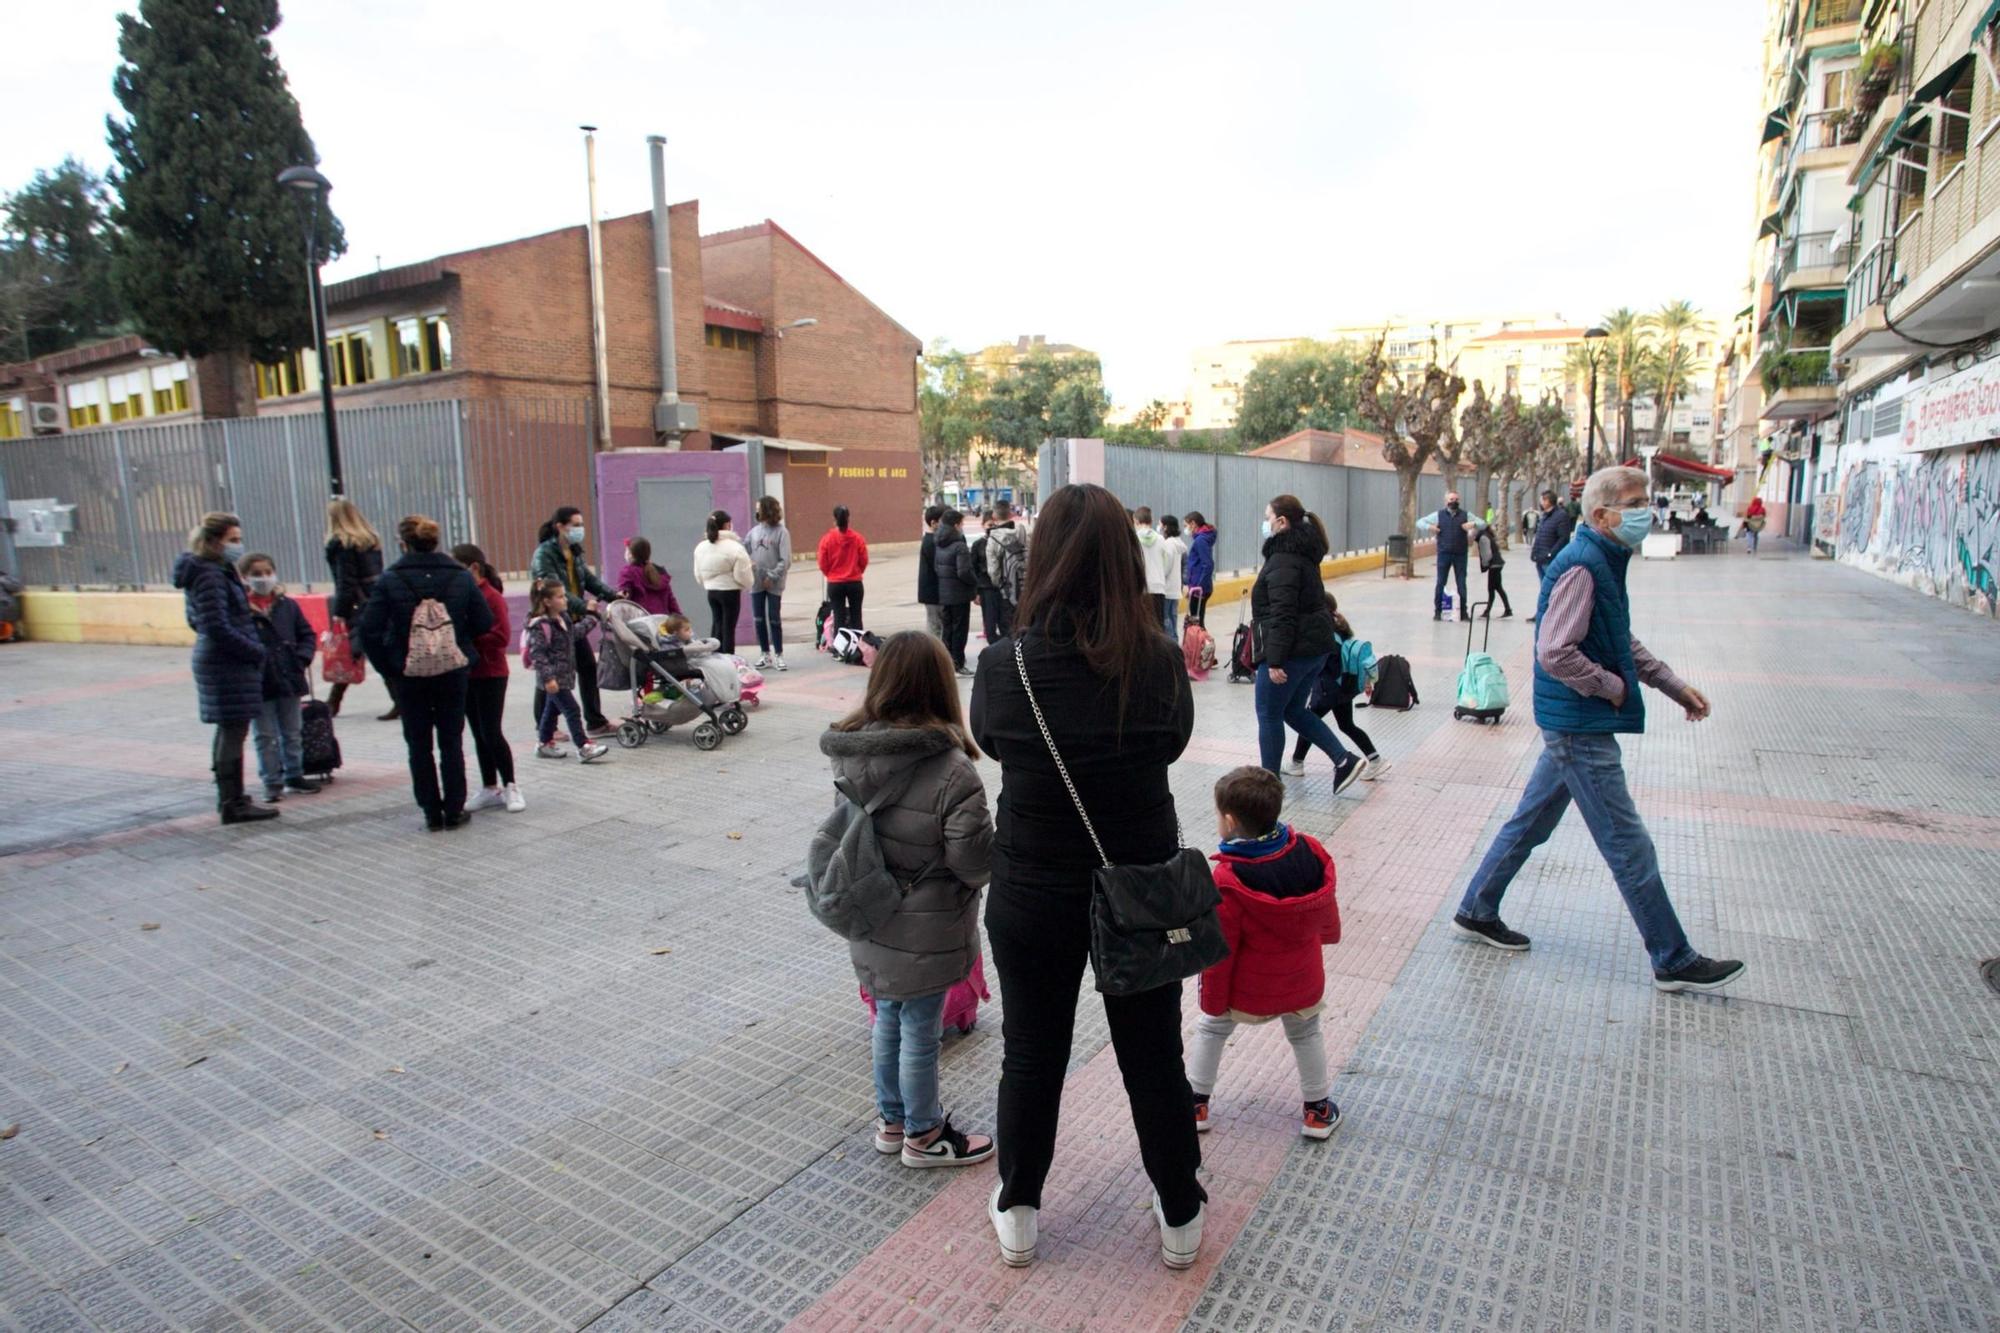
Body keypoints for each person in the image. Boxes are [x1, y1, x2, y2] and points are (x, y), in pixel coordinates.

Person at [970, 482, 1206, 1272]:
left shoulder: (1006, 667)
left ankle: (1020, 1208)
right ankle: (1179, 1211)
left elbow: (995, 747)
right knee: (1153, 1055)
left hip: (1032, 892)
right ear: (1124, 561)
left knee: (1031, 1052)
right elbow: (1170, 747)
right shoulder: (1162, 664)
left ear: (1040, 563)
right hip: (1138, 889)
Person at [1453, 466, 1745, 994]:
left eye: (1645, 501)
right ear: (1602, 514)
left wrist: (1671, 685)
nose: (1644, 511)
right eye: (1634, 503)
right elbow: (1554, 651)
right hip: (1579, 726)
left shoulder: (1604, 559)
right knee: (1627, 842)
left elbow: (1617, 639)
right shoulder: (1585, 565)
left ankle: (1476, 907)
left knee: (1529, 823)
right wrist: (1612, 688)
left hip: (1574, 722)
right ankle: (1672, 957)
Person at [821, 630, 996, 1169]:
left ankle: (890, 1120)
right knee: (919, 1029)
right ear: (940, 688)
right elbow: (974, 862)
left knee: (888, 1019)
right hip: (929, 924)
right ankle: (924, 1134)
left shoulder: (850, 757)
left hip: (870, 914)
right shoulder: (952, 770)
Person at [1188, 767, 1342, 1141]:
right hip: (1301, 979)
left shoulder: (1228, 880)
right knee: (1306, 1034)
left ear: (1228, 820)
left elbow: (1220, 952)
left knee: (1211, 1029)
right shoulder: (1309, 849)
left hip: (1246, 989)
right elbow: (1325, 909)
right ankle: (1318, 1111)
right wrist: (1329, 935)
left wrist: (1213, 1001)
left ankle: (1195, 1104)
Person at [357, 515, 494, 831]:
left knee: (418, 743)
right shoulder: (459, 576)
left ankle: (431, 811)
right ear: (436, 541)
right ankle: (455, 808)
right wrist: (458, 640)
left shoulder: (390, 579)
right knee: (451, 740)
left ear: (403, 543)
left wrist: (390, 666)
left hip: (409, 673)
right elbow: (484, 621)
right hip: (452, 670)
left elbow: (369, 630)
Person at [1253, 495, 1363, 794]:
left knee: (1269, 713)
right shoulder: (1303, 554)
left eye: (1268, 517)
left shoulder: (1283, 559)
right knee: (1293, 711)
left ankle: (1268, 787)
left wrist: (1274, 660)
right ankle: (1344, 760)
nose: (1265, 523)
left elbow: (1283, 613)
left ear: (1282, 521)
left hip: (1291, 651)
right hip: (1313, 649)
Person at [175, 513, 276, 825]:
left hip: (223, 659)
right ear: (214, 540)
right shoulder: (210, 574)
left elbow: (199, 619)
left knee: (232, 728)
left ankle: (233, 797)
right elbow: (214, 624)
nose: (238, 545)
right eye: (232, 540)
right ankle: (232, 802)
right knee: (233, 729)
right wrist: (253, 649)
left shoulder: (211, 570)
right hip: (226, 662)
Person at [240, 553, 320, 803]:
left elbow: (306, 633)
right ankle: (271, 781)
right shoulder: (242, 609)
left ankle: (294, 774)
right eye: (257, 574)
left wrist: (301, 658)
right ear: (245, 577)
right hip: (260, 681)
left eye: (267, 572)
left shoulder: (287, 604)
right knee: (265, 735)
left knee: (292, 730)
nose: (264, 578)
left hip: (288, 676)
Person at [530, 506, 615, 736]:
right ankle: (545, 725)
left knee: (587, 668)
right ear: (560, 526)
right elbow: (555, 591)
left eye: (581, 524)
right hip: (555, 621)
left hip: (572, 621)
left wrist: (612, 595)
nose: (580, 529)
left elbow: (588, 580)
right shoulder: (545, 555)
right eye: (575, 525)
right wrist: (584, 606)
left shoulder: (574, 552)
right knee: (551, 673)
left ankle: (595, 721)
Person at [454, 544, 524, 814]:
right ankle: (489, 786)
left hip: (491, 673)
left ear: (474, 567)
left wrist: (467, 639)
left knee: (491, 731)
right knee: (478, 733)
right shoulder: (461, 595)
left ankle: (511, 785)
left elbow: (501, 637)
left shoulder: (491, 597)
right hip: (467, 672)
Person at [1287, 596, 1388, 779]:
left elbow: (1319, 662)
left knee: (1308, 722)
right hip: (1343, 687)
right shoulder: (1340, 628)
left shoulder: (1325, 633)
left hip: (1328, 689)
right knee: (1347, 725)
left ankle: (1297, 763)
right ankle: (1375, 760)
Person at [524, 577, 610, 764]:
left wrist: (592, 618)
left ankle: (544, 743)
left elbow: (574, 635)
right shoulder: (540, 625)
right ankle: (583, 746)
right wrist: (548, 678)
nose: (565, 600)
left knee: (551, 710)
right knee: (572, 709)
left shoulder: (562, 618)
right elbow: (538, 655)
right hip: (554, 678)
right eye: (561, 597)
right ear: (547, 601)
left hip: (563, 675)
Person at [324, 499, 386, 719]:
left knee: (350, 651)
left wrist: (339, 612)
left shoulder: (342, 544)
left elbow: (345, 581)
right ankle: (334, 701)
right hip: (375, 599)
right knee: (367, 649)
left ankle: (333, 702)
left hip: (357, 604)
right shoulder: (371, 540)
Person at [693, 509, 754, 655]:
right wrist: (746, 584)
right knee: (729, 628)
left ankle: (714, 656)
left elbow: (698, 572)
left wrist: (707, 582)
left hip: (711, 591)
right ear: (727, 525)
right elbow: (743, 574)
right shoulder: (735, 547)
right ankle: (729, 658)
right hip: (729, 591)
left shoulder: (701, 547)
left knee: (717, 624)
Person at [747, 496, 792, 670]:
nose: (756, 510)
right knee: (758, 619)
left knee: (774, 619)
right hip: (756, 582)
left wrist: (772, 576)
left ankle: (779, 654)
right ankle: (765, 654)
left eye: (759, 507)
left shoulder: (782, 532)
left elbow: (785, 560)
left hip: (774, 583)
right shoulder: (754, 532)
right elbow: (744, 549)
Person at [932, 507, 978, 676]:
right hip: (960, 594)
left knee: (948, 629)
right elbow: (964, 571)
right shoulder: (959, 545)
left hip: (944, 594)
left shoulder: (938, 543)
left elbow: (937, 567)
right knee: (960, 630)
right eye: (962, 523)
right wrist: (975, 583)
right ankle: (958, 663)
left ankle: (946, 662)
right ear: (956, 525)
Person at [1417, 491, 1471, 621]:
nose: (1454, 501)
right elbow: (1419, 522)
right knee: (1441, 582)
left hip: (1460, 554)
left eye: (1457, 499)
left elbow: (1482, 523)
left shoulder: (1465, 515)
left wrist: (1473, 524)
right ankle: (1438, 612)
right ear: (1446, 501)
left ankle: (1463, 612)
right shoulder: (1438, 515)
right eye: (1452, 499)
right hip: (1444, 553)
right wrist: (1430, 527)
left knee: (1461, 583)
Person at [818, 506, 869, 633]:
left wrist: (829, 574)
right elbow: (864, 560)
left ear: (834, 519)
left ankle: (840, 646)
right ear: (848, 518)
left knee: (839, 616)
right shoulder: (858, 538)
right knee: (856, 616)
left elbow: (822, 562)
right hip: (854, 582)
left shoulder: (827, 539)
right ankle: (858, 645)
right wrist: (857, 571)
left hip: (835, 583)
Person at [1528, 490, 1575, 623]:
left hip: (1550, 559)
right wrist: (1534, 553)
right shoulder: (1544, 516)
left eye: (1542, 500)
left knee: (1553, 587)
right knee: (1544, 588)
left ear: (1548, 501)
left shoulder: (1561, 515)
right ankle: (1541, 613)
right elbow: (1540, 535)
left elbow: (1563, 538)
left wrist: (1551, 553)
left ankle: (1554, 614)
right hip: (1540, 558)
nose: (1541, 502)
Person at [984, 500, 1029, 636]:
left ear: (994, 516)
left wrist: (999, 584)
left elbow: (993, 570)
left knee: (1009, 628)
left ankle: (1014, 654)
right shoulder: (1024, 534)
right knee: (1025, 624)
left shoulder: (993, 540)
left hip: (1007, 591)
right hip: (1026, 587)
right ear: (1010, 514)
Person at [616, 537, 681, 618]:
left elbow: (623, 596)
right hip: (662, 623)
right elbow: (671, 601)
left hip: (640, 623)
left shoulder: (628, 572)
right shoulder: (659, 572)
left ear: (630, 554)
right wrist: (680, 619)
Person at [1133, 506, 1171, 633]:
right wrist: (1162, 574)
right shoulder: (1160, 539)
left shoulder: (1134, 539)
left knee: (1142, 625)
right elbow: (1168, 560)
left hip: (1141, 588)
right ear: (1151, 521)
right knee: (1158, 625)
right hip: (1158, 587)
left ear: (1136, 521)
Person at [1470, 516, 1513, 618]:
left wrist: (1485, 565)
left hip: (1494, 565)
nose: (1472, 531)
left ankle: (1488, 611)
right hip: (1497, 564)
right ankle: (1507, 609)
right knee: (1498, 588)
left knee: (1491, 589)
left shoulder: (1483, 537)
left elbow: (1487, 554)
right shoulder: (1487, 535)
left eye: (1474, 528)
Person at [971, 511, 1004, 644]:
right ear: (983, 525)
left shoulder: (1004, 541)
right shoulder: (978, 544)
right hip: (986, 588)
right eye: (990, 524)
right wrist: (975, 593)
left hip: (1003, 588)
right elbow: (972, 569)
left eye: (995, 523)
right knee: (990, 624)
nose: (993, 527)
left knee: (1005, 623)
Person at [1182, 512, 1216, 627]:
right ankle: (1201, 644)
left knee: (1196, 623)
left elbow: (1208, 564)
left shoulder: (1200, 540)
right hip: (1198, 587)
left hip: (1199, 589)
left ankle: (1201, 644)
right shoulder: (1202, 538)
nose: (1185, 529)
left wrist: (1198, 587)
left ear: (1193, 524)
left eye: (1186, 525)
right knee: (1197, 621)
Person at [917, 504, 945, 640]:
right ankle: (934, 654)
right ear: (933, 523)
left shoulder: (933, 540)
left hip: (934, 592)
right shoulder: (930, 542)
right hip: (932, 592)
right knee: (935, 626)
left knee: (937, 625)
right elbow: (938, 568)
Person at [1159, 514, 1187, 638]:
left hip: (1167, 588)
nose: (1159, 527)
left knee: (1166, 619)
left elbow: (1166, 566)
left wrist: (1159, 575)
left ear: (1165, 527)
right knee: (1172, 618)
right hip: (1175, 588)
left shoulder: (1169, 544)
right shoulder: (1178, 543)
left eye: (1160, 524)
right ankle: (1174, 643)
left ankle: (1171, 645)